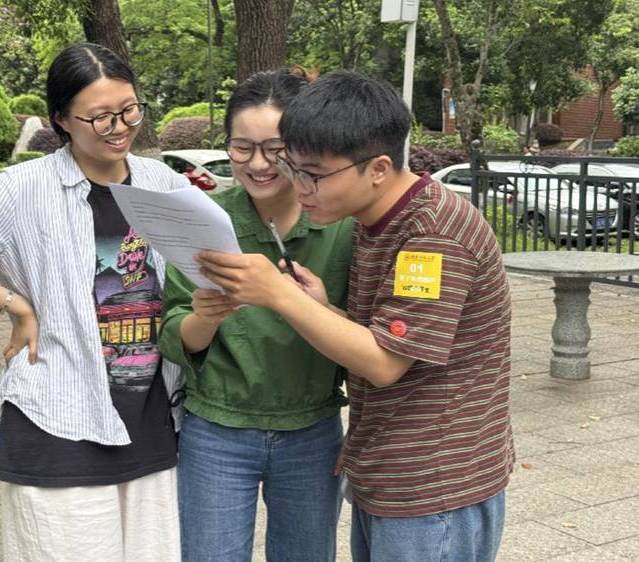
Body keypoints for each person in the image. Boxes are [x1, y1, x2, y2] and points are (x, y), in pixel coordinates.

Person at [194, 70, 515, 562]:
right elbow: (389, 335)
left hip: (433, 486)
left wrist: (280, 296)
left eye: (314, 174)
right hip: (391, 473)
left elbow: (384, 363)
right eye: (293, 167)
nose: (299, 187)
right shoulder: (377, 219)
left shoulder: (431, 236)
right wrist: (322, 308)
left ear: (379, 168)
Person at [0, 43, 186, 562]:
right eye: (99, 117)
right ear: (61, 120)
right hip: (59, 419)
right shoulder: (24, 188)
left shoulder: (163, 184)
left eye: (129, 111)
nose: (119, 128)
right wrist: (16, 304)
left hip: (152, 422)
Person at [158, 68, 355, 562]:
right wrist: (205, 316)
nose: (259, 163)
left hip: (312, 428)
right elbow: (174, 335)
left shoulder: (342, 224)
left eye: (275, 148)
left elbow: (367, 336)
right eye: (242, 148)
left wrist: (311, 304)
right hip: (216, 430)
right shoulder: (203, 219)